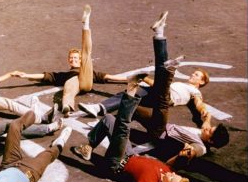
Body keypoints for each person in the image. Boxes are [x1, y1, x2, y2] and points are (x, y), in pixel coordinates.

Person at [78, 11, 229, 157]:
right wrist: (207, 120)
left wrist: (191, 152)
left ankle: (161, 41)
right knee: (133, 104)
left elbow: (200, 105)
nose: (192, 74)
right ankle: (101, 113)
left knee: (163, 90)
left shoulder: (200, 145)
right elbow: (206, 116)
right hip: (160, 111)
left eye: (197, 75)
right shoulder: (203, 131)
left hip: (162, 122)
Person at [72, 65, 192, 182]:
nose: (171, 174)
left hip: (117, 163)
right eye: (175, 175)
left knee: (122, 128)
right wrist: (181, 156)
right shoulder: (168, 171)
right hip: (129, 153)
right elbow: (167, 166)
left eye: (172, 178)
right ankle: (88, 147)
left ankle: (131, 91)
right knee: (109, 119)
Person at [9, 5, 124, 116]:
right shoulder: (65, 75)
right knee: (68, 87)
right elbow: (45, 76)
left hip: (86, 80)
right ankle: (66, 107)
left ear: (79, 60)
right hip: (73, 83)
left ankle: (86, 25)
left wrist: (129, 80)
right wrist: (25, 75)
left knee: (87, 54)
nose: (73, 59)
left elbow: (110, 77)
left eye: (75, 58)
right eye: (71, 58)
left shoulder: (89, 70)